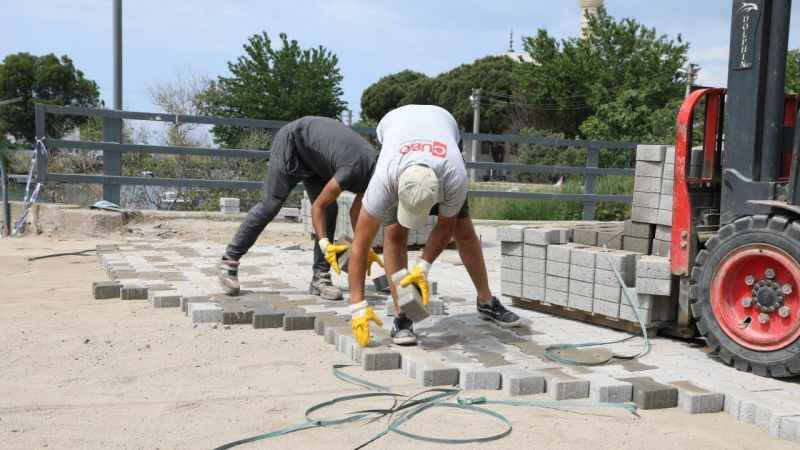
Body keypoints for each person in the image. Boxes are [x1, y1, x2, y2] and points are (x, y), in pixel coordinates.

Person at [347, 105, 520, 347]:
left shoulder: (454, 175)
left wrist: (423, 267)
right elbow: (359, 245)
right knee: (395, 233)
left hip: (443, 127)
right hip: (394, 127)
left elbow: (445, 226)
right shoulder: (384, 179)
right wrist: (358, 307)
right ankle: (403, 317)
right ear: (396, 190)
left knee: (464, 231)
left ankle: (486, 301)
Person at [218, 116, 383, 299]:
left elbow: (357, 211)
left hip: (316, 158)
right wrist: (325, 244)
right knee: (271, 204)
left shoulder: (375, 172)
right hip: (293, 143)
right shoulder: (353, 170)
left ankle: (319, 278)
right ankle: (229, 262)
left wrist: (363, 247)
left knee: (330, 211)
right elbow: (317, 207)